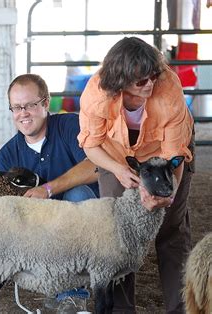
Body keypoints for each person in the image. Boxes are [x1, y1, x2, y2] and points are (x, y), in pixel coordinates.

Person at [78, 36, 194, 313]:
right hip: (115, 154)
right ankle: (120, 309)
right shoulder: (96, 95)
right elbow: (91, 145)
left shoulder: (167, 89)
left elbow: (174, 151)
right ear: (121, 79)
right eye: (141, 81)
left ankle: (180, 308)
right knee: (119, 230)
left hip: (165, 154)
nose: (150, 84)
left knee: (171, 229)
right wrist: (118, 170)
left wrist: (169, 191)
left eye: (153, 75)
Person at [0, 73, 99, 311]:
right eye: (16, 107)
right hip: (39, 235)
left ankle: (73, 293)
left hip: (85, 227)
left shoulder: (69, 126)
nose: (23, 113)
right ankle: (56, 285)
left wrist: (48, 189)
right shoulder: (7, 155)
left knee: (78, 195)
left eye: (30, 105)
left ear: (45, 103)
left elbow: (96, 165)